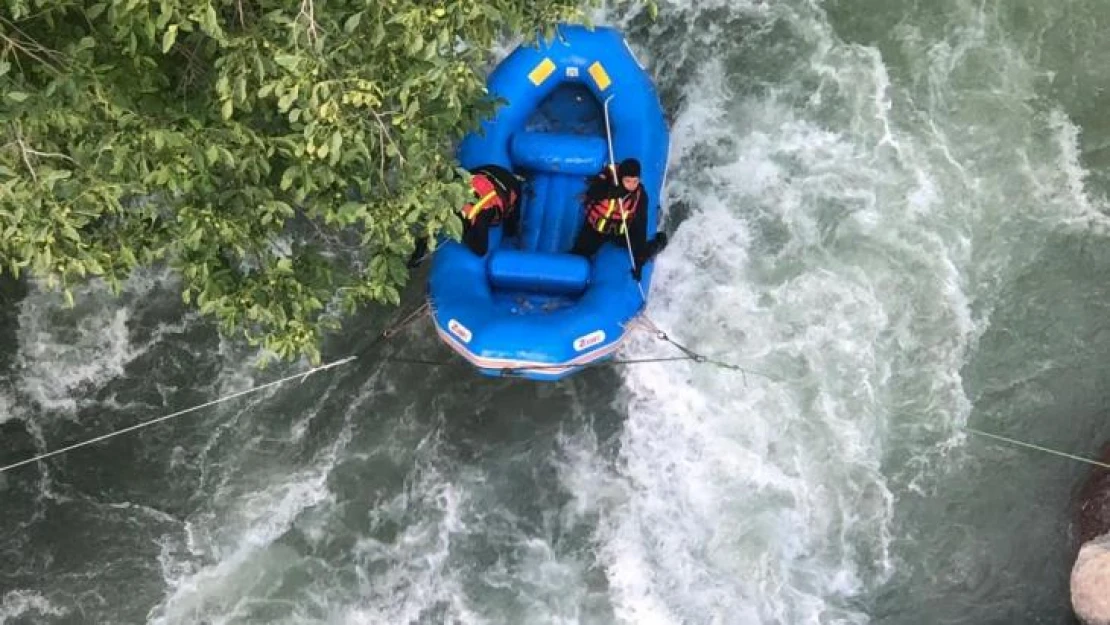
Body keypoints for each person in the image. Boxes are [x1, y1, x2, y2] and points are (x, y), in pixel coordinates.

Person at [570, 158, 667, 280]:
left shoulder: (640, 196)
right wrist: (612, 193)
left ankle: (658, 244)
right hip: (596, 229)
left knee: (641, 251)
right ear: (621, 177)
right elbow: (594, 192)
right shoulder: (608, 178)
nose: (631, 186)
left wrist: (639, 264)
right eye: (627, 181)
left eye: (635, 181)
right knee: (578, 254)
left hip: (621, 230)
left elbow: (641, 225)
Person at [407, 164, 522, 266]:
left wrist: (462, 233)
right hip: (488, 171)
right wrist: (418, 253)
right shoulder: (448, 195)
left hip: (507, 184)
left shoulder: (480, 214)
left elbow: (481, 249)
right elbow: (428, 222)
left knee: (511, 228)